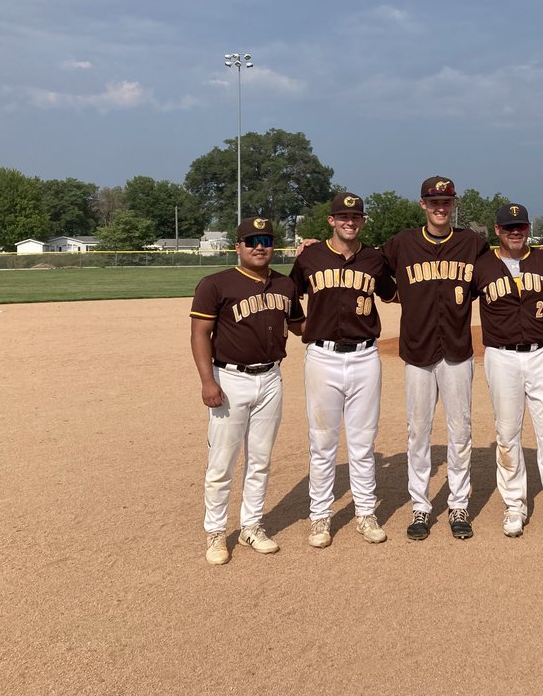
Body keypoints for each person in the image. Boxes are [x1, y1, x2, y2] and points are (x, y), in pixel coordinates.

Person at [190, 217, 304, 566]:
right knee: (222, 461)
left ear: (273, 246)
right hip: (230, 379)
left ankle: (252, 525)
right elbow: (199, 335)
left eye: (266, 240)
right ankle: (215, 531)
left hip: (271, 378)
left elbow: (301, 327)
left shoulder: (285, 286)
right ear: (238, 246)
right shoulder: (215, 284)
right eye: (251, 240)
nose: (259, 246)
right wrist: (208, 381)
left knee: (260, 459)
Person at [381, 176, 489, 541]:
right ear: (422, 205)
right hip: (417, 351)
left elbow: (501, 267)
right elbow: (372, 269)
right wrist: (316, 248)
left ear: (453, 204)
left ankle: (459, 503)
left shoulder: (472, 243)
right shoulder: (402, 244)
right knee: (418, 432)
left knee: (461, 430)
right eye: (433, 202)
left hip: (457, 351)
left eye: (446, 202)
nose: (440, 207)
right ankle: (421, 507)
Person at [290, 193, 398, 549]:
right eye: (343, 216)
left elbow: (391, 294)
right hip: (323, 357)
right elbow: (288, 297)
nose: (350, 221)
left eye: (356, 216)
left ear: (363, 221)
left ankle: (366, 512)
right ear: (331, 220)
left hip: (366, 356)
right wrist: (303, 329)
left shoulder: (374, 259)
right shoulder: (310, 256)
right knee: (322, 442)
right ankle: (320, 516)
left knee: (363, 442)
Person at [473, 203, 543, 542]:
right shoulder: (481, 266)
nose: (515, 232)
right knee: (507, 434)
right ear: (497, 230)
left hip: (541, 353)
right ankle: (515, 506)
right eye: (509, 227)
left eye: (520, 226)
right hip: (501, 356)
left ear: (528, 228)